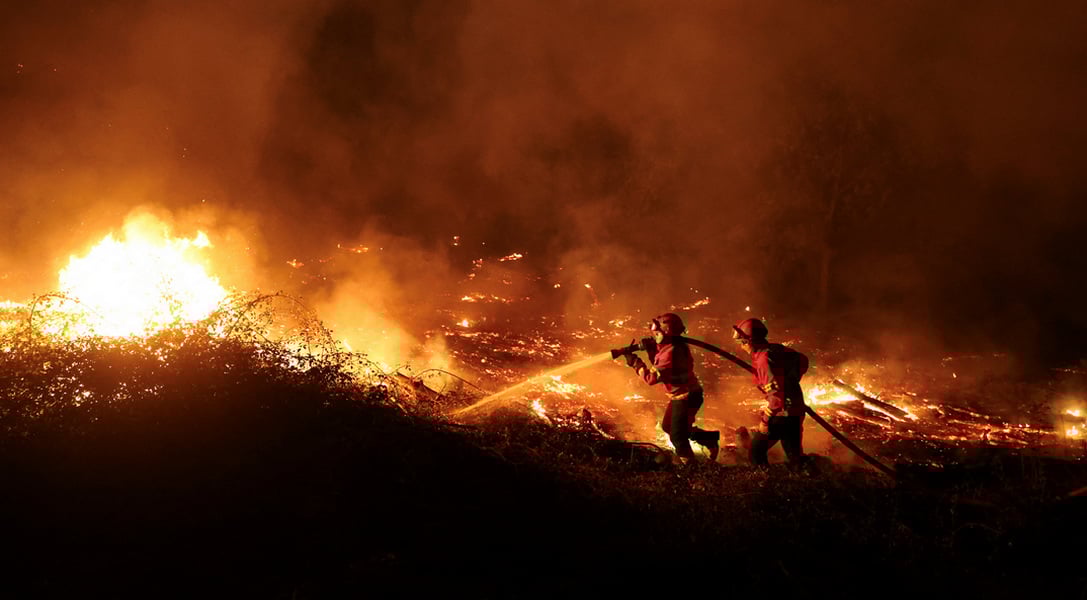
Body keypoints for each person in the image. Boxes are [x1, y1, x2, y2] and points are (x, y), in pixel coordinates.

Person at [620, 313, 720, 462]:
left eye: (656, 333)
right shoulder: (670, 347)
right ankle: (708, 439)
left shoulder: (672, 352)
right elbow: (660, 363)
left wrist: (635, 362)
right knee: (668, 426)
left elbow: (651, 378)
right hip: (683, 395)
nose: (654, 336)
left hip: (687, 397)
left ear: (665, 333)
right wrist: (651, 350)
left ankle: (691, 469)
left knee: (677, 436)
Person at [731, 317, 810, 467]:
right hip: (795, 410)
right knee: (795, 457)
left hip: (782, 414)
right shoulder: (775, 349)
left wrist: (765, 421)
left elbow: (776, 400)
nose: (741, 346)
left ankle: (767, 485)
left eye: (742, 341)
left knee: (756, 453)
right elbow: (803, 360)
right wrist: (791, 381)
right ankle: (817, 480)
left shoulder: (764, 359)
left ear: (749, 341)